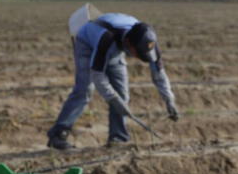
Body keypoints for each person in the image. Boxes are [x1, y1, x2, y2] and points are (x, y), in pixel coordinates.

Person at [47, 13, 179, 150]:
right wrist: (113, 99)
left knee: (122, 94)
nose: (141, 56)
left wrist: (169, 99)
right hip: (88, 43)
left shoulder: (148, 41)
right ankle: (58, 135)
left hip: (116, 47)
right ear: (129, 44)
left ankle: (118, 138)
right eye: (138, 53)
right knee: (84, 90)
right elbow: (97, 75)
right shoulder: (107, 39)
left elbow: (159, 74)